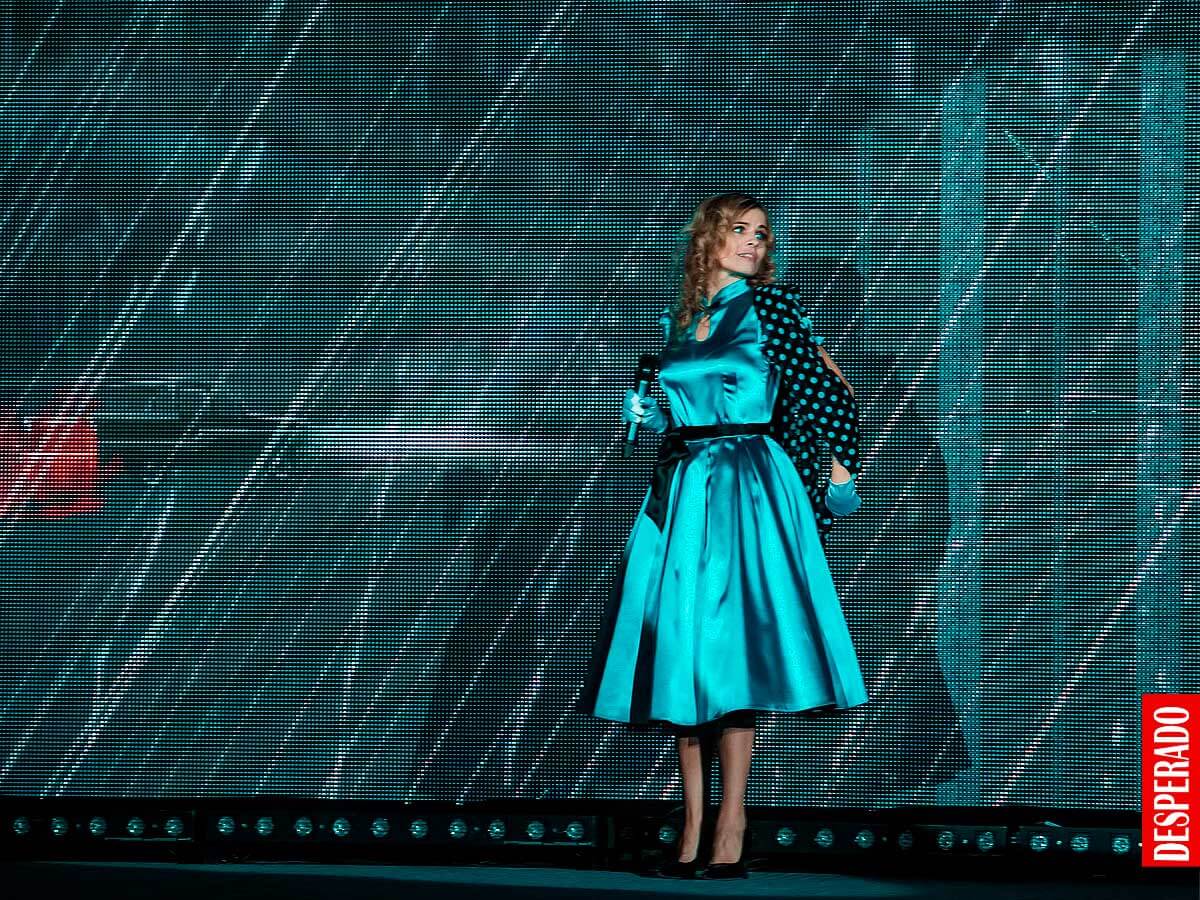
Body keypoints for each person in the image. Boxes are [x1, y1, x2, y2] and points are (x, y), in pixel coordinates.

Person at [577, 192, 868, 880]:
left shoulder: (772, 308)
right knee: (682, 654)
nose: (753, 243)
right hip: (685, 486)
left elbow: (834, 395)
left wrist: (836, 477)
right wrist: (647, 414)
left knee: (731, 655)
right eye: (740, 230)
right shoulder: (681, 319)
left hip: (745, 483)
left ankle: (731, 826)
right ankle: (691, 828)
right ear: (708, 237)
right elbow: (659, 414)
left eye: (762, 234)